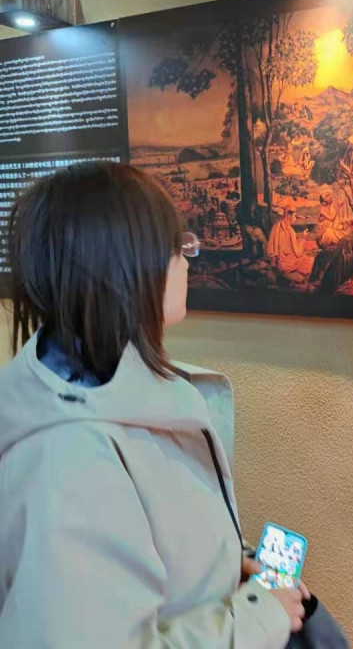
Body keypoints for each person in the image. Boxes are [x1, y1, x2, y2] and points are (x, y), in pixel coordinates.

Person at [0, 162, 311, 647]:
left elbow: (146, 553)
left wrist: (222, 568)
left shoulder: (123, 385)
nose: (188, 260)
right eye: (176, 246)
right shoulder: (68, 460)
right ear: (123, 267)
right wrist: (255, 619)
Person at [268, 203, 315, 279]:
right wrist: (303, 239)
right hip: (286, 264)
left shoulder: (276, 227)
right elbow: (298, 254)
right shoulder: (290, 231)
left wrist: (301, 235)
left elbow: (272, 249)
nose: (295, 219)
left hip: (277, 263)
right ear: (289, 215)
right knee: (310, 261)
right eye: (294, 216)